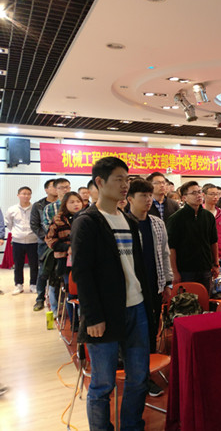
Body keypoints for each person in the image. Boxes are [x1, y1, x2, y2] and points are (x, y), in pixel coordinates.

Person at [72, 157, 155, 430]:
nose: (124, 185)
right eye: (118, 179)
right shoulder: (87, 222)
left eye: (127, 179)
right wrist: (93, 316)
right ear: (100, 182)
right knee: (103, 383)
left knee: (138, 378)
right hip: (105, 313)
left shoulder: (129, 220)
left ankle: (132, 425)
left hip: (137, 307)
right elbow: (82, 273)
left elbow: (137, 268)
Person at [127, 179, 173, 397]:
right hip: (132, 289)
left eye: (149, 196)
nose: (148, 200)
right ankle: (139, 376)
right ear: (129, 199)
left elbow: (164, 254)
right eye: (142, 196)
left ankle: (148, 372)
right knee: (136, 334)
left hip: (155, 285)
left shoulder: (157, 223)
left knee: (153, 329)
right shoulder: (124, 223)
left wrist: (168, 282)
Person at [167, 181, 220, 293]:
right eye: (194, 193)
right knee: (187, 301)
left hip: (205, 268)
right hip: (185, 270)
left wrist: (216, 264)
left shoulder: (208, 216)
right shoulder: (176, 219)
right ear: (184, 198)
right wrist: (175, 272)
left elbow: (213, 242)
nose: (198, 195)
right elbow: (172, 248)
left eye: (199, 192)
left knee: (205, 299)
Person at [46, 191, 83, 325]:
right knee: (71, 292)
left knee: (85, 291)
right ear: (65, 204)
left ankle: (84, 321)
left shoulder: (86, 217)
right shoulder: (58, 219)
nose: (76, 204)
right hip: (65, 261)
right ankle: (74, 323)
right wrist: (66, 247)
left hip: (84, 260)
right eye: (72, 202)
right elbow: (49, 239)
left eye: (78, 201)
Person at [5, 187, 39, 295]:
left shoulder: (35, 208)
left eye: (28, 194)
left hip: (33, 240)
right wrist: (16, 233)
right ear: (18, 195)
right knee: (18, 264)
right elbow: (9, 224)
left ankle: (33, 284)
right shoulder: (12, 209)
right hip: (17, 241)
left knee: (34, 264)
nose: (26, 196)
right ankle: (18, 285)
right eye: (23, 194)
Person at [31, 179, 58, 311]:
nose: (56, 189)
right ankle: (40, 299)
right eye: (53, 186)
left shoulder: (64, 204)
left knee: (58, 271)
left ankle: (57, 300)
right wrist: (47, 238)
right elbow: (34, 225)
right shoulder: (38, 205)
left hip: (60, 243)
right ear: (46, 189)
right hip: (44, 244)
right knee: (43, 271)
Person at [202, 183, 221, 262]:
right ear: (203, 195)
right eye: (212, 194)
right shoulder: (198, 213)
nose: (215, 197)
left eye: (217, 194)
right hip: (203, 255)